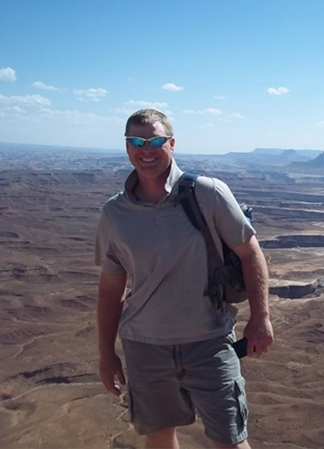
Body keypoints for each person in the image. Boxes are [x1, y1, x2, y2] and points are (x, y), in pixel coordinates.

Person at [95, 108, 274, 449]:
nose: (145, 150)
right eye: (135, 141)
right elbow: (110, 289)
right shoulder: (114, 213)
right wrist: (106, 354)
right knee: (159, 441)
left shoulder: (207, 193)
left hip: (209, 342)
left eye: (155, 141)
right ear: (127, 146)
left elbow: (250, 253)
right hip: (144, 347)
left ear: (172, 144)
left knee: (231, 441)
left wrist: (261, 317)